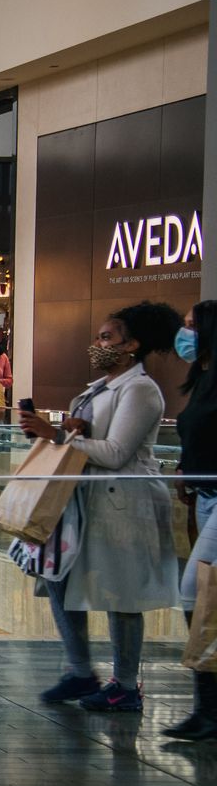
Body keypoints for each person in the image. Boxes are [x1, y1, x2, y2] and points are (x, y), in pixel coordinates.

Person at [20, 301, 182, 713]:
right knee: (58, 580)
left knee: (121, 595)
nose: (98, 344)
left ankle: (125, 684)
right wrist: (74, 430)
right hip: (83, 503)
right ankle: (80, 670)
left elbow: (115, 452)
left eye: (107, 337)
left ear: (133, 345)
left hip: (123, 505)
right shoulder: (100, 388)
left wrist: (58, 434)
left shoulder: (140, 389)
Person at [168, 299, 217, 741]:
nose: (184, 334)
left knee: (193, 591)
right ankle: (207, 706)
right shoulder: (202, 379)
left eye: (191, 326)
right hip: (204, 496)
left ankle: (209, 707)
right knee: (205, 595)